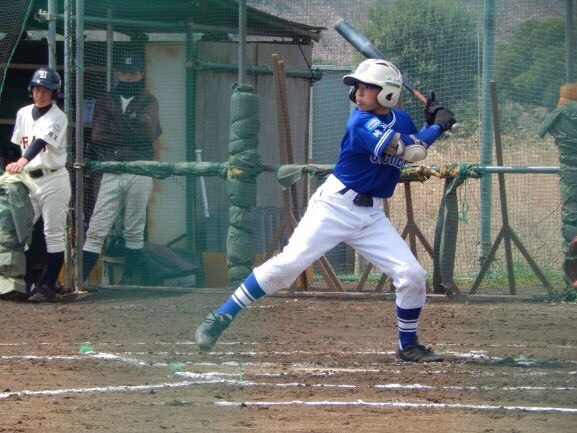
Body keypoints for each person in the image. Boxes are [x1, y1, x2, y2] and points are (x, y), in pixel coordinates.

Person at [195, 59, 456, 362]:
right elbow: (409, 151)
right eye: (357, 87)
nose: (359, 93)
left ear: (387, 93)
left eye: (368, 87)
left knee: (411, 274)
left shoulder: (401, 119)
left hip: (371, 215)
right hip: (335, 207)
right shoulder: (360, 122)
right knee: (287, 266)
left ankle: (407, 346)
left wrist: (429, 122)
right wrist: (438, 126)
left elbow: (415, 145)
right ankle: (221, 316)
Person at [82, 50, 162, 285]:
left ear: (141, 73)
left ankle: (127, 280)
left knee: (134, 228)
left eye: (133, 72)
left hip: (140, 169)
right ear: (117, 72)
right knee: (97, 228)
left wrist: (117, 127)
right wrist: (132, 125)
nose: (128, 76)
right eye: (125, 72)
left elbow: (148, 134)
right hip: (111, 169)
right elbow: (98, 136)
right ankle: (81, 280)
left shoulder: (149, 100)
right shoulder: (105, 100)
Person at [3, 67, 70, 302]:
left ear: (54, 93)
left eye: (46, 90)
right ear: (31, 90)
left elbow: (39, 142)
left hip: (53, 179)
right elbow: (17, 146)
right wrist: (14, 165)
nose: (40, 94)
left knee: (52, 233)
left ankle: (48, 286)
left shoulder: (58, 117)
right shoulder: (23, 113)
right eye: (37, 89)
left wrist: (21, 162)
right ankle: (28, 284)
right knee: (22, 231)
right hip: (29, 179)